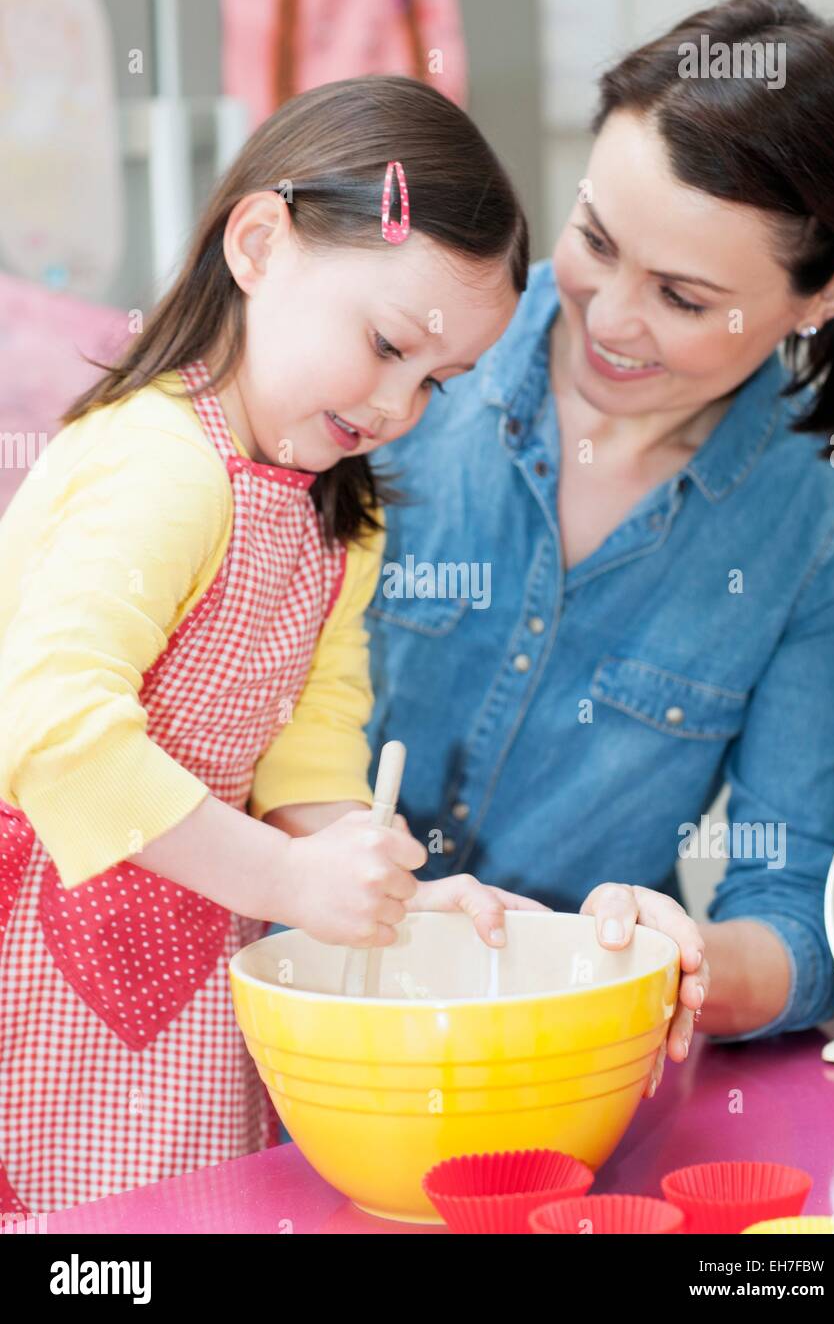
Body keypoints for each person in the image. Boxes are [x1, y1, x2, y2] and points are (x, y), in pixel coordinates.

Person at [0, 75, 542, 1214]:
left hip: (195, 961)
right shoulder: (156, 466)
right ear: (258, 242)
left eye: (436, 381)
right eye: (386, 343)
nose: (399, 406)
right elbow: (52, 733)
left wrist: (374, 879)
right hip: (32, 952)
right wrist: (288, 877)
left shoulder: (334, 512)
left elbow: (305, 744)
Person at [366, 0, 834, 1098]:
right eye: (595, 238)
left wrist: (679, 961)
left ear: (826, 292)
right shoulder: (404, 353)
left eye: (684, 298)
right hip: (267, 1014)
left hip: (555, 1083)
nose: (607, 318)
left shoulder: (826, 524)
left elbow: (790, 908)